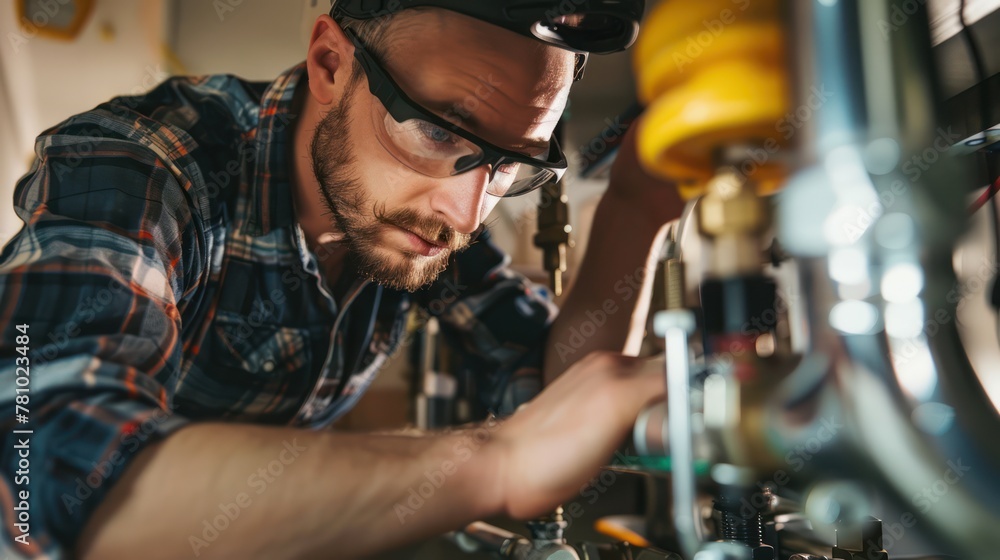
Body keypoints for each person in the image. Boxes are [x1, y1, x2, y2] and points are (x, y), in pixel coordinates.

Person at [0, 1, 684, 558]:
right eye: (442, 132)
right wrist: (495, 462)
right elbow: (39, 469)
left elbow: (560, 403)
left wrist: (638, 205)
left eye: (511, 165)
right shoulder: (143, 165)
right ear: (330, 64)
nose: (467, 215)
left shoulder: (420, 211)